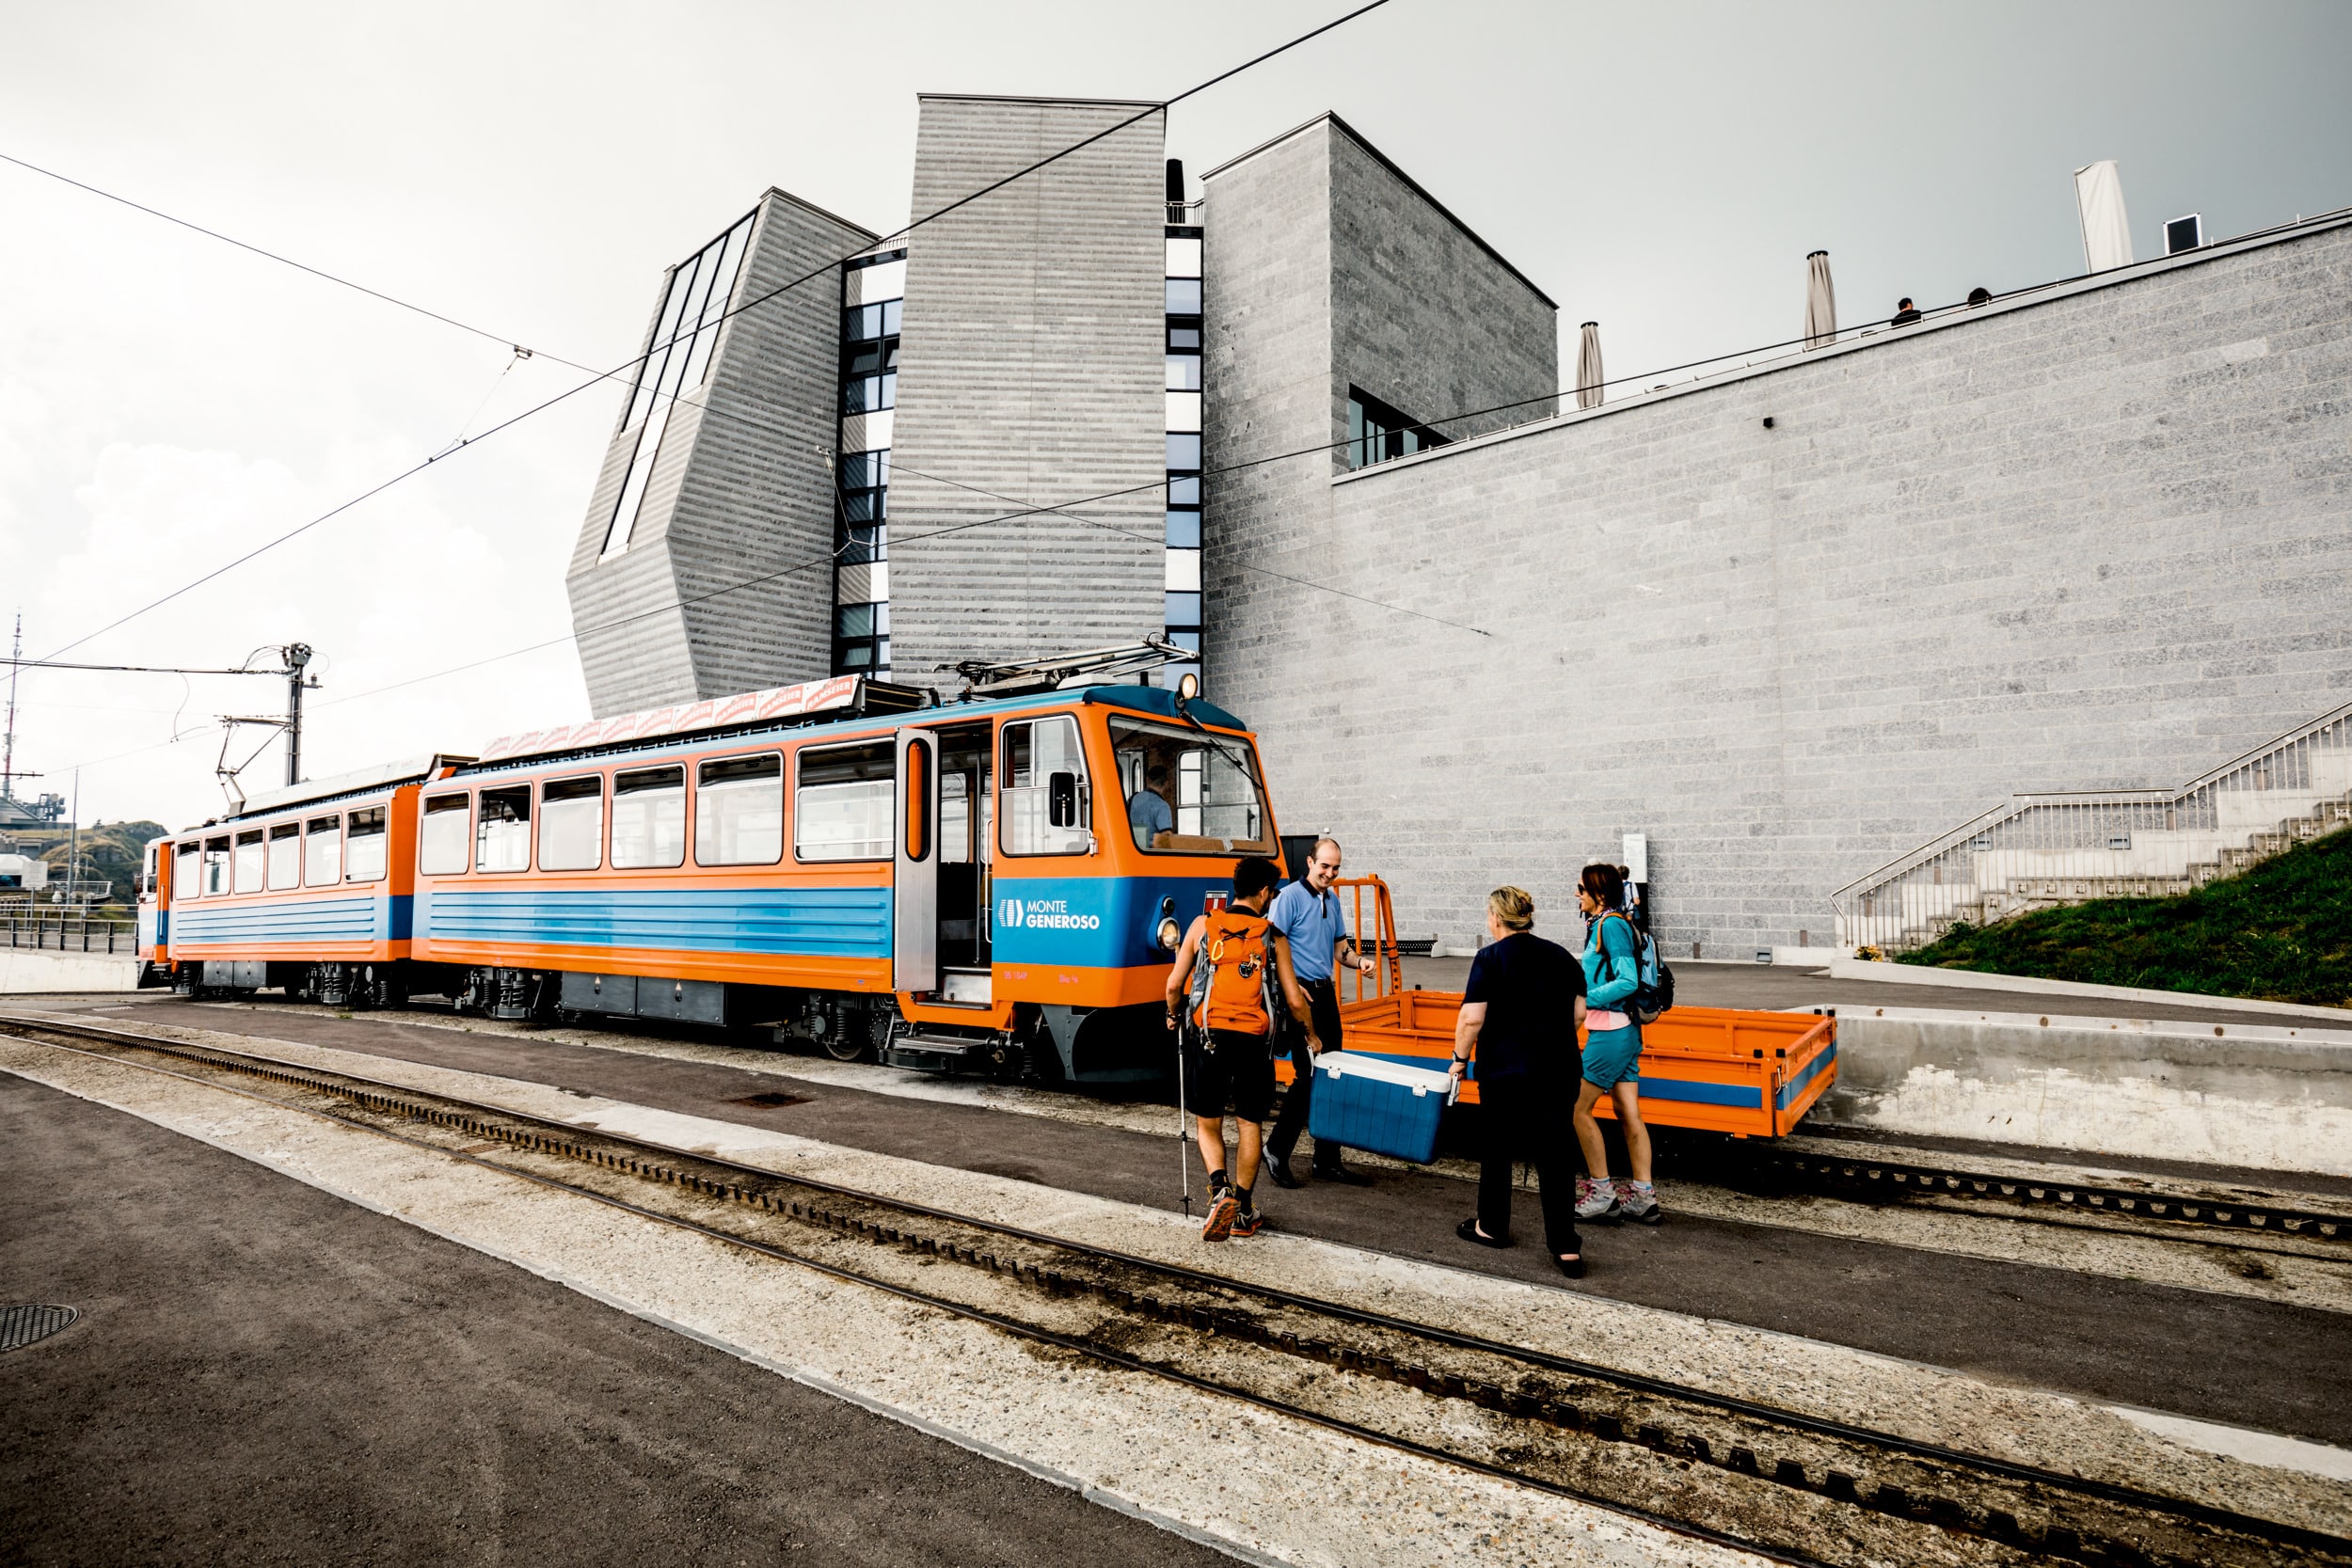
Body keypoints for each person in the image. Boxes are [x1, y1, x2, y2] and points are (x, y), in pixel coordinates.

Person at [1165, 854, 1317, 1241]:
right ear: (1264, 892)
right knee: (1250, 1122)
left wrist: (1172, 1014)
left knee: (1208, 1120)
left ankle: (1219, 1191)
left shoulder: (1203, 925)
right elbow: (1295, 1001)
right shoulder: (1272, 935)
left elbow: (1173, 985)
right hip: (1255, 1041)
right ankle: (1244, 1211)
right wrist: (1311, 1035)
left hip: (1209, 1036)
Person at [1448, 886, 1587, 1277]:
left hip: (1506, 1072)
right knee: (1556, 1154)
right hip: (1559, 1069)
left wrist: (1459, 1060)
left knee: (1497, 1149)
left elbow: (1472, 1019)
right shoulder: (1561, 957)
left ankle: (1491, 1227)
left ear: (1496, 917)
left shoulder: (1490, 958)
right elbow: (1579, 1014)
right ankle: (1565, 1247)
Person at [1261, 836, 1377, 1188]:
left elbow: (1341, 951)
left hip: (1325, 994)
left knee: (1334, 1075)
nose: (1330, 873)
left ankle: (1327, 1160)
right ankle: (1276, 1150)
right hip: (1301, 996)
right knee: (1306, 1076)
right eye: (1325, 865)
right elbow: (1270, 949)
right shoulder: (1288, 899)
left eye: (1336, 867)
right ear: (1310, 862)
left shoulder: (1333, 901)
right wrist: (1291, 988)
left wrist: (1360, 962)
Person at [1572, 863, 1660, 1225]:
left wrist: (1584, 998)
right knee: (1628, 1113)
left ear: (1600, 894)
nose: (1576, 894)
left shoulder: (1611, 926)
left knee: (1575, 1109)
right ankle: (1643, 1197)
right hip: (1620, 1030)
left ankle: (1602, 1193)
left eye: (1581, 888)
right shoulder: (1605, 924)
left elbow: (1626, 981)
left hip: (1611, 1032)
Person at [1128, 762, 1174, 844]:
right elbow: (1166, 835)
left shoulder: (1133, 799)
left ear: (1147, 779)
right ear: (1167, 783)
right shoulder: (1162, 806)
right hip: (1151, 852)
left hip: (1131, 847)